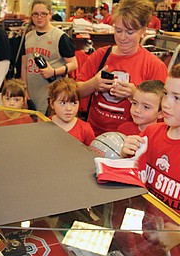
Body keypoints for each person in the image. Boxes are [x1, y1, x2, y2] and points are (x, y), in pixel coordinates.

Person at [76, 0, 168, 136]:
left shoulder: (154, 65)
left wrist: (135, 94)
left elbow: (163, 110)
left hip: (134, 139)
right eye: (118, 31)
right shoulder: (100, 56)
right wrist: (93, 84)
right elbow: (74, 92)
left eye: (130, 32)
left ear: (143, 31)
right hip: (93, 134)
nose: (122, 37)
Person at [120, 63, 180, 255]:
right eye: (166, 94)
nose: (167, 104)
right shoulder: (151, 133)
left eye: (177, 98)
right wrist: (125, 158)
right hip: (141, 237)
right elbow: (133, 183)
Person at [21, 0, 78, 115]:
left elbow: (74, 64)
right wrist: (24, 90)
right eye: (35, 14)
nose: (39, 17)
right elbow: (24, 66)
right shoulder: (27, 37)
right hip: (32, 93)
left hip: (52, 95)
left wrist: (54, 72)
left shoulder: (60, 37)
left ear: (50, 14)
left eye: (43, 14)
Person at [48, 78, 95, 146]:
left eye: (73, 103)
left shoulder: (85, 129)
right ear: (52, 103)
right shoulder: (44, 124)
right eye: (63, 103)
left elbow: (92, 153)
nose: (69, 108)